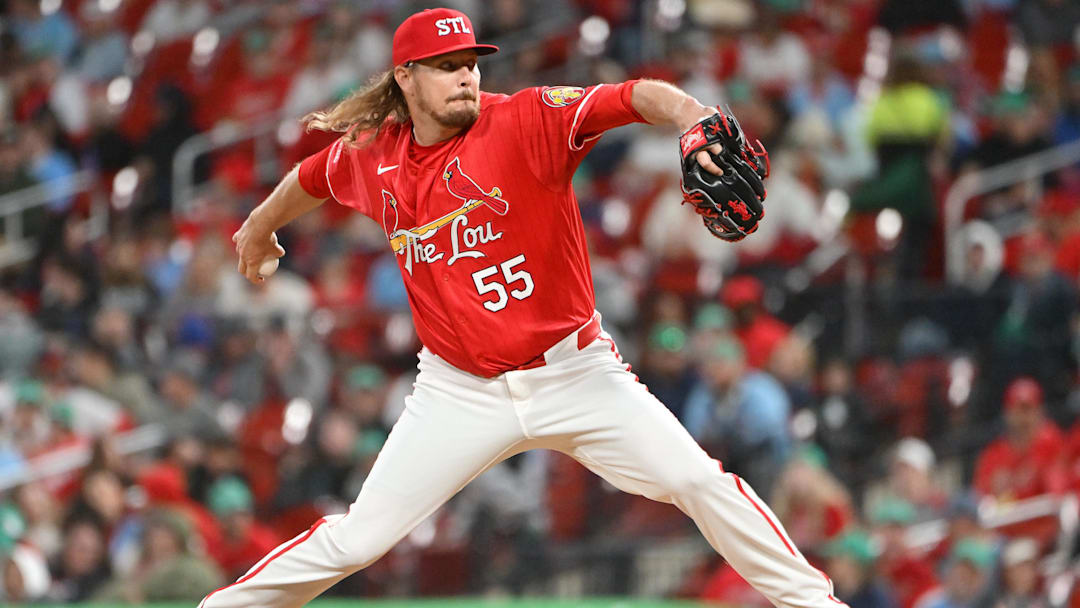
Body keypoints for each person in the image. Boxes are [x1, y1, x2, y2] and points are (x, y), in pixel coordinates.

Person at [205, 8, 846, 608]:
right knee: (358, 541)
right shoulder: (378, 156)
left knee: (697, 483)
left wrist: (691, 117)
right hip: (459, 390)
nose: (465, 75)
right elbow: (313, 177)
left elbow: (629, 96)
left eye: (471, 62)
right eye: (445, 64)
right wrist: (258, 228)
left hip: (576, 374)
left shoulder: (525, 119)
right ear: (405, 77)